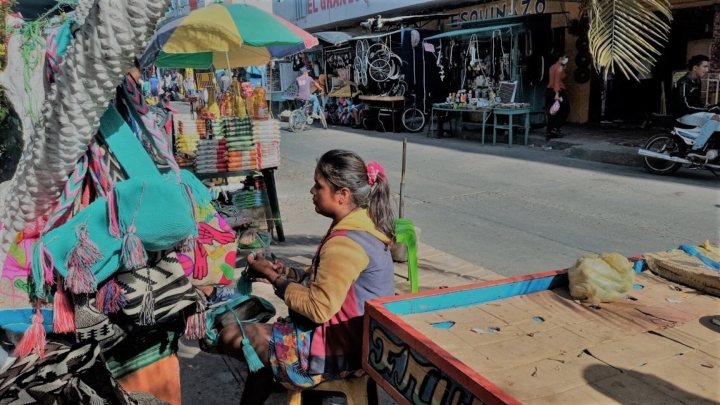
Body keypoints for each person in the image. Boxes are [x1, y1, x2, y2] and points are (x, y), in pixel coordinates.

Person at [214, 150, 396, 405]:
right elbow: (325, 278)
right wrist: (287, 273)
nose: (312, 191)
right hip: (355, 340)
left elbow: (318, 307)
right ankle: (275, 374)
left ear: (342, 194)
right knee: (259, 349)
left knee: (231, 336)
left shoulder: (347, 243)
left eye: (318, 186)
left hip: (340, 351)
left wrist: (275, 280)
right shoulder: (362, 224)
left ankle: (284, 374)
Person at [673, 54, 720, 157]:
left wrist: (710, 107)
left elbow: (698, 102)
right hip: (683, 116)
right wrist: (708, 109)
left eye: (708, 67)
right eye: (705, 67)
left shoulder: (697, 81)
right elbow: (686, 106)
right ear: (695, 67)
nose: (707, 70)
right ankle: (696, 149)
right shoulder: (683, 83)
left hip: (693, 114)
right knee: (714, 117)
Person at [545, 52, 569, 141]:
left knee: (553, 111)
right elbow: (557, 81)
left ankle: (550, 130)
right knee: (565, 109)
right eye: (564, 58)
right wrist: (557, 94)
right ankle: (555, 127)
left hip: (550, 91)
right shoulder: (559, 67)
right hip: (557, 91)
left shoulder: (552, 66)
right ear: (560, 58)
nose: (566, 60)